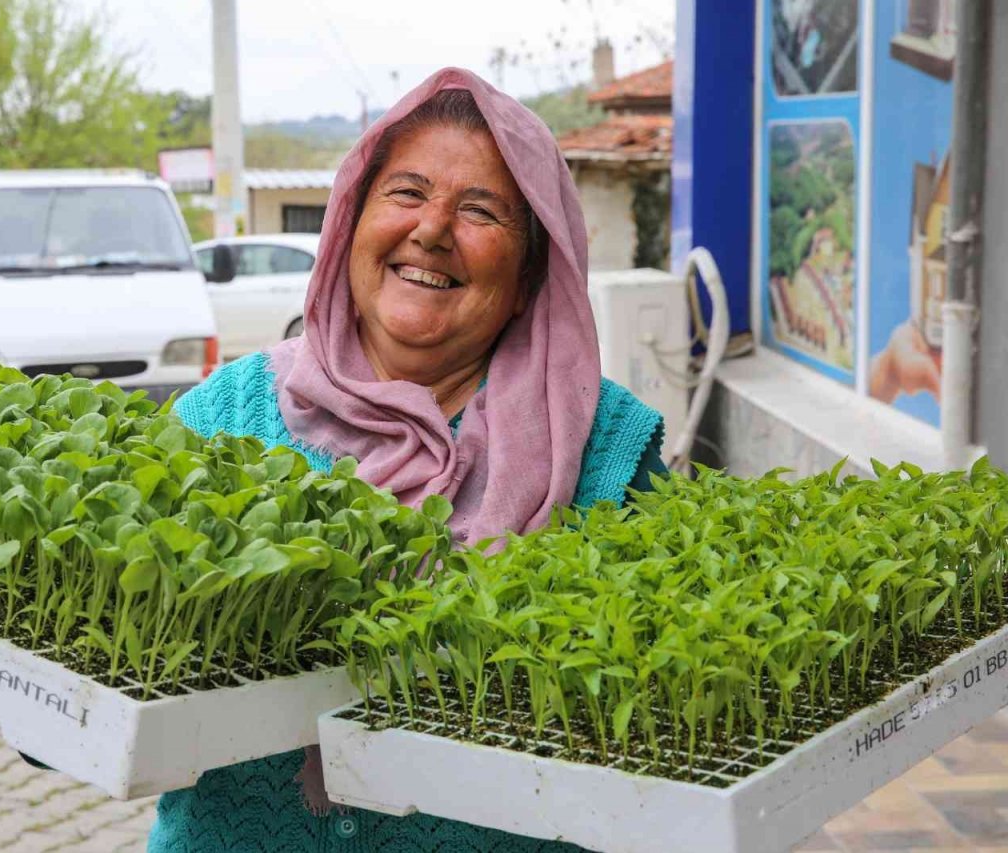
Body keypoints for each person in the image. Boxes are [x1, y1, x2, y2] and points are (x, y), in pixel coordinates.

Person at [147, 67, 665, 853]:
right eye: (406, 193)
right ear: (352, 223)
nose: (432, 229)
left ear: (530, 275)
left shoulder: (605, 448)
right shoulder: (226, 416)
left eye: (481, 210)